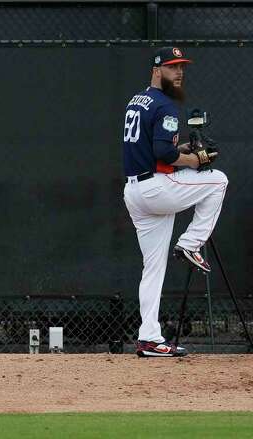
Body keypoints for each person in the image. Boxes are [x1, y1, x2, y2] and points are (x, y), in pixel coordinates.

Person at [121, 47, 226, 358]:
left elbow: (155, 146)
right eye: (171, 67)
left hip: (135, 192)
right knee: (218, 180)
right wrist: (193, 159)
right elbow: (164, 154)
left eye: (181, 67)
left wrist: (181, 148)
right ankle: (191, 243)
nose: (178, 72)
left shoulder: (137, 100)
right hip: (156, 188)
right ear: (157, 71)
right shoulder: (166, 105)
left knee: (153, 267)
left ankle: (149, 338)